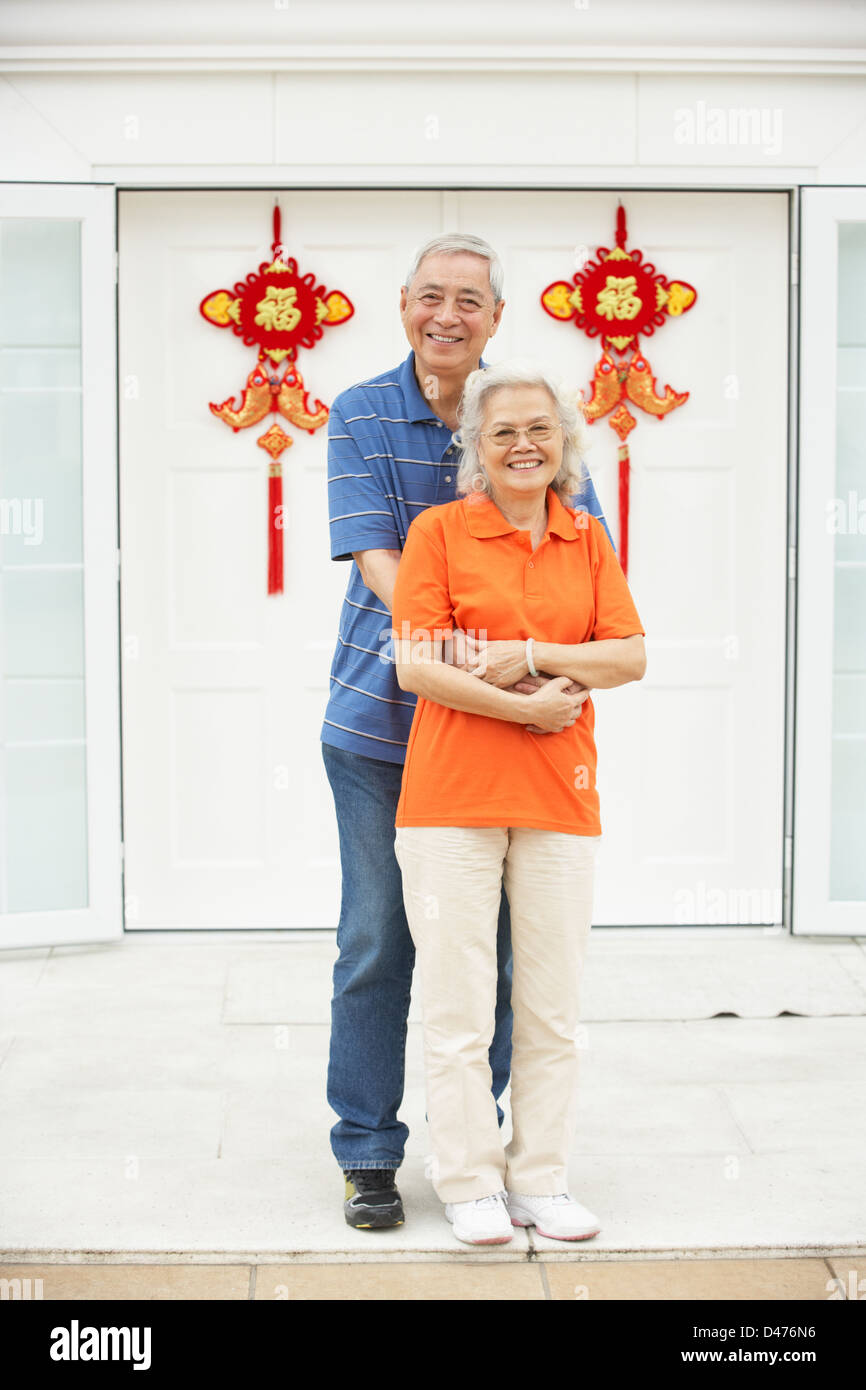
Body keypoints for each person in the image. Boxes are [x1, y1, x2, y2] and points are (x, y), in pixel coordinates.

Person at [321, 235, 610, 1230]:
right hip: (381, 724)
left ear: (494, 318)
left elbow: (586, 564)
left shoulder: (522, 415)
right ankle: (365, 1151)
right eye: (429, 298)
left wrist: (518, 661)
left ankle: (482, 1158)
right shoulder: (360, 412)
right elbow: (375, 560)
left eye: (469, 303)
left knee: (495, 954)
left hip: (509, 736)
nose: (447, 316)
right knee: (377, 941)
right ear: (403, 304)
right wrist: (470, 648)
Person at [391, 359, 646, 1245]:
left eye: (539, 428)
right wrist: (527, 703)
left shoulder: (586, 538)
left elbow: (630, 655)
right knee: (459, 1006)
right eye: (502, 431)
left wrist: (530, 653)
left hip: (559, 796)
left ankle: (540, 1178)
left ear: (565, 441)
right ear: (474, 447)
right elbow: (417, 661)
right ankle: (467, 1180)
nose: (523, 444)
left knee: (550, 1008)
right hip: (450, 799)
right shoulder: (439, 532)